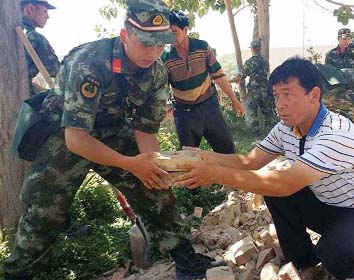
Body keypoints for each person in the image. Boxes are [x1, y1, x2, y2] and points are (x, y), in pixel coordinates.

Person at [3, 1, 222, 279]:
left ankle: (185, 259)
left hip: (113, 131)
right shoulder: (91, 62)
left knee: (154, 186)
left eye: (159, 44)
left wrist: (149, 165)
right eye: (145, 43)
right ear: (124, 35)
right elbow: (76, 138)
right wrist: (130, 163)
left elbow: (146, 131)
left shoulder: (156, 72)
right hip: (64, 135)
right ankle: (18, 274)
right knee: (45, 211)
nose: (152, 52)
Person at [173, 57, 354, 280]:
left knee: (334, 253)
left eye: (288, 94)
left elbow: (285, 183)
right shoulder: (287, 127)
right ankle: (304, 263)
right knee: (273, 192)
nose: (280, 103)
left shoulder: (335, 133)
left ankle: (352, 270)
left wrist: (215, 174)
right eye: (277, 95)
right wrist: (203, 156)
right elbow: (250, 162)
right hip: (324, 206)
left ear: (314, 95)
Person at [161, 11, 245, 154]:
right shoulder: (165, 57)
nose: (170, 37)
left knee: (227, 151)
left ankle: (229, 176)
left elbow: (219, 76)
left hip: (209, 106)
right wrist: (165, 107)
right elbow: (162, 87)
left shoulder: (202, 47)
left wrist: (234, 100)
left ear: (185, 30)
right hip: (184, 112)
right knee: (187, 156)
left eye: (174, 32)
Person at [231, 40, 274, 135]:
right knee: (268, 113)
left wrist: (235, 78)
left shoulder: (250, 62)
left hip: (254, 91)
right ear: (260, 49)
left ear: (253, 49)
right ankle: (271, 134)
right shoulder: (265, 61)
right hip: (264, 89)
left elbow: (242, 75)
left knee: (252, 112)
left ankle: (256, 135)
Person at [20, 0, 60, 94]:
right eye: (45, 11)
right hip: (19, 94)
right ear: (30, 9)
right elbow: (56, 71)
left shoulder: (7, 31)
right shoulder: (35, 37)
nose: (48, 17)